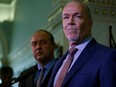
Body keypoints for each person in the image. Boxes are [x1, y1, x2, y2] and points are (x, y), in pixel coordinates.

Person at [47, 0, 116, 87]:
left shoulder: (107, 56)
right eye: (66, 17)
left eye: (78, 16)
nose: (70, 22)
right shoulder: (58, 63)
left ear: (89, 24)